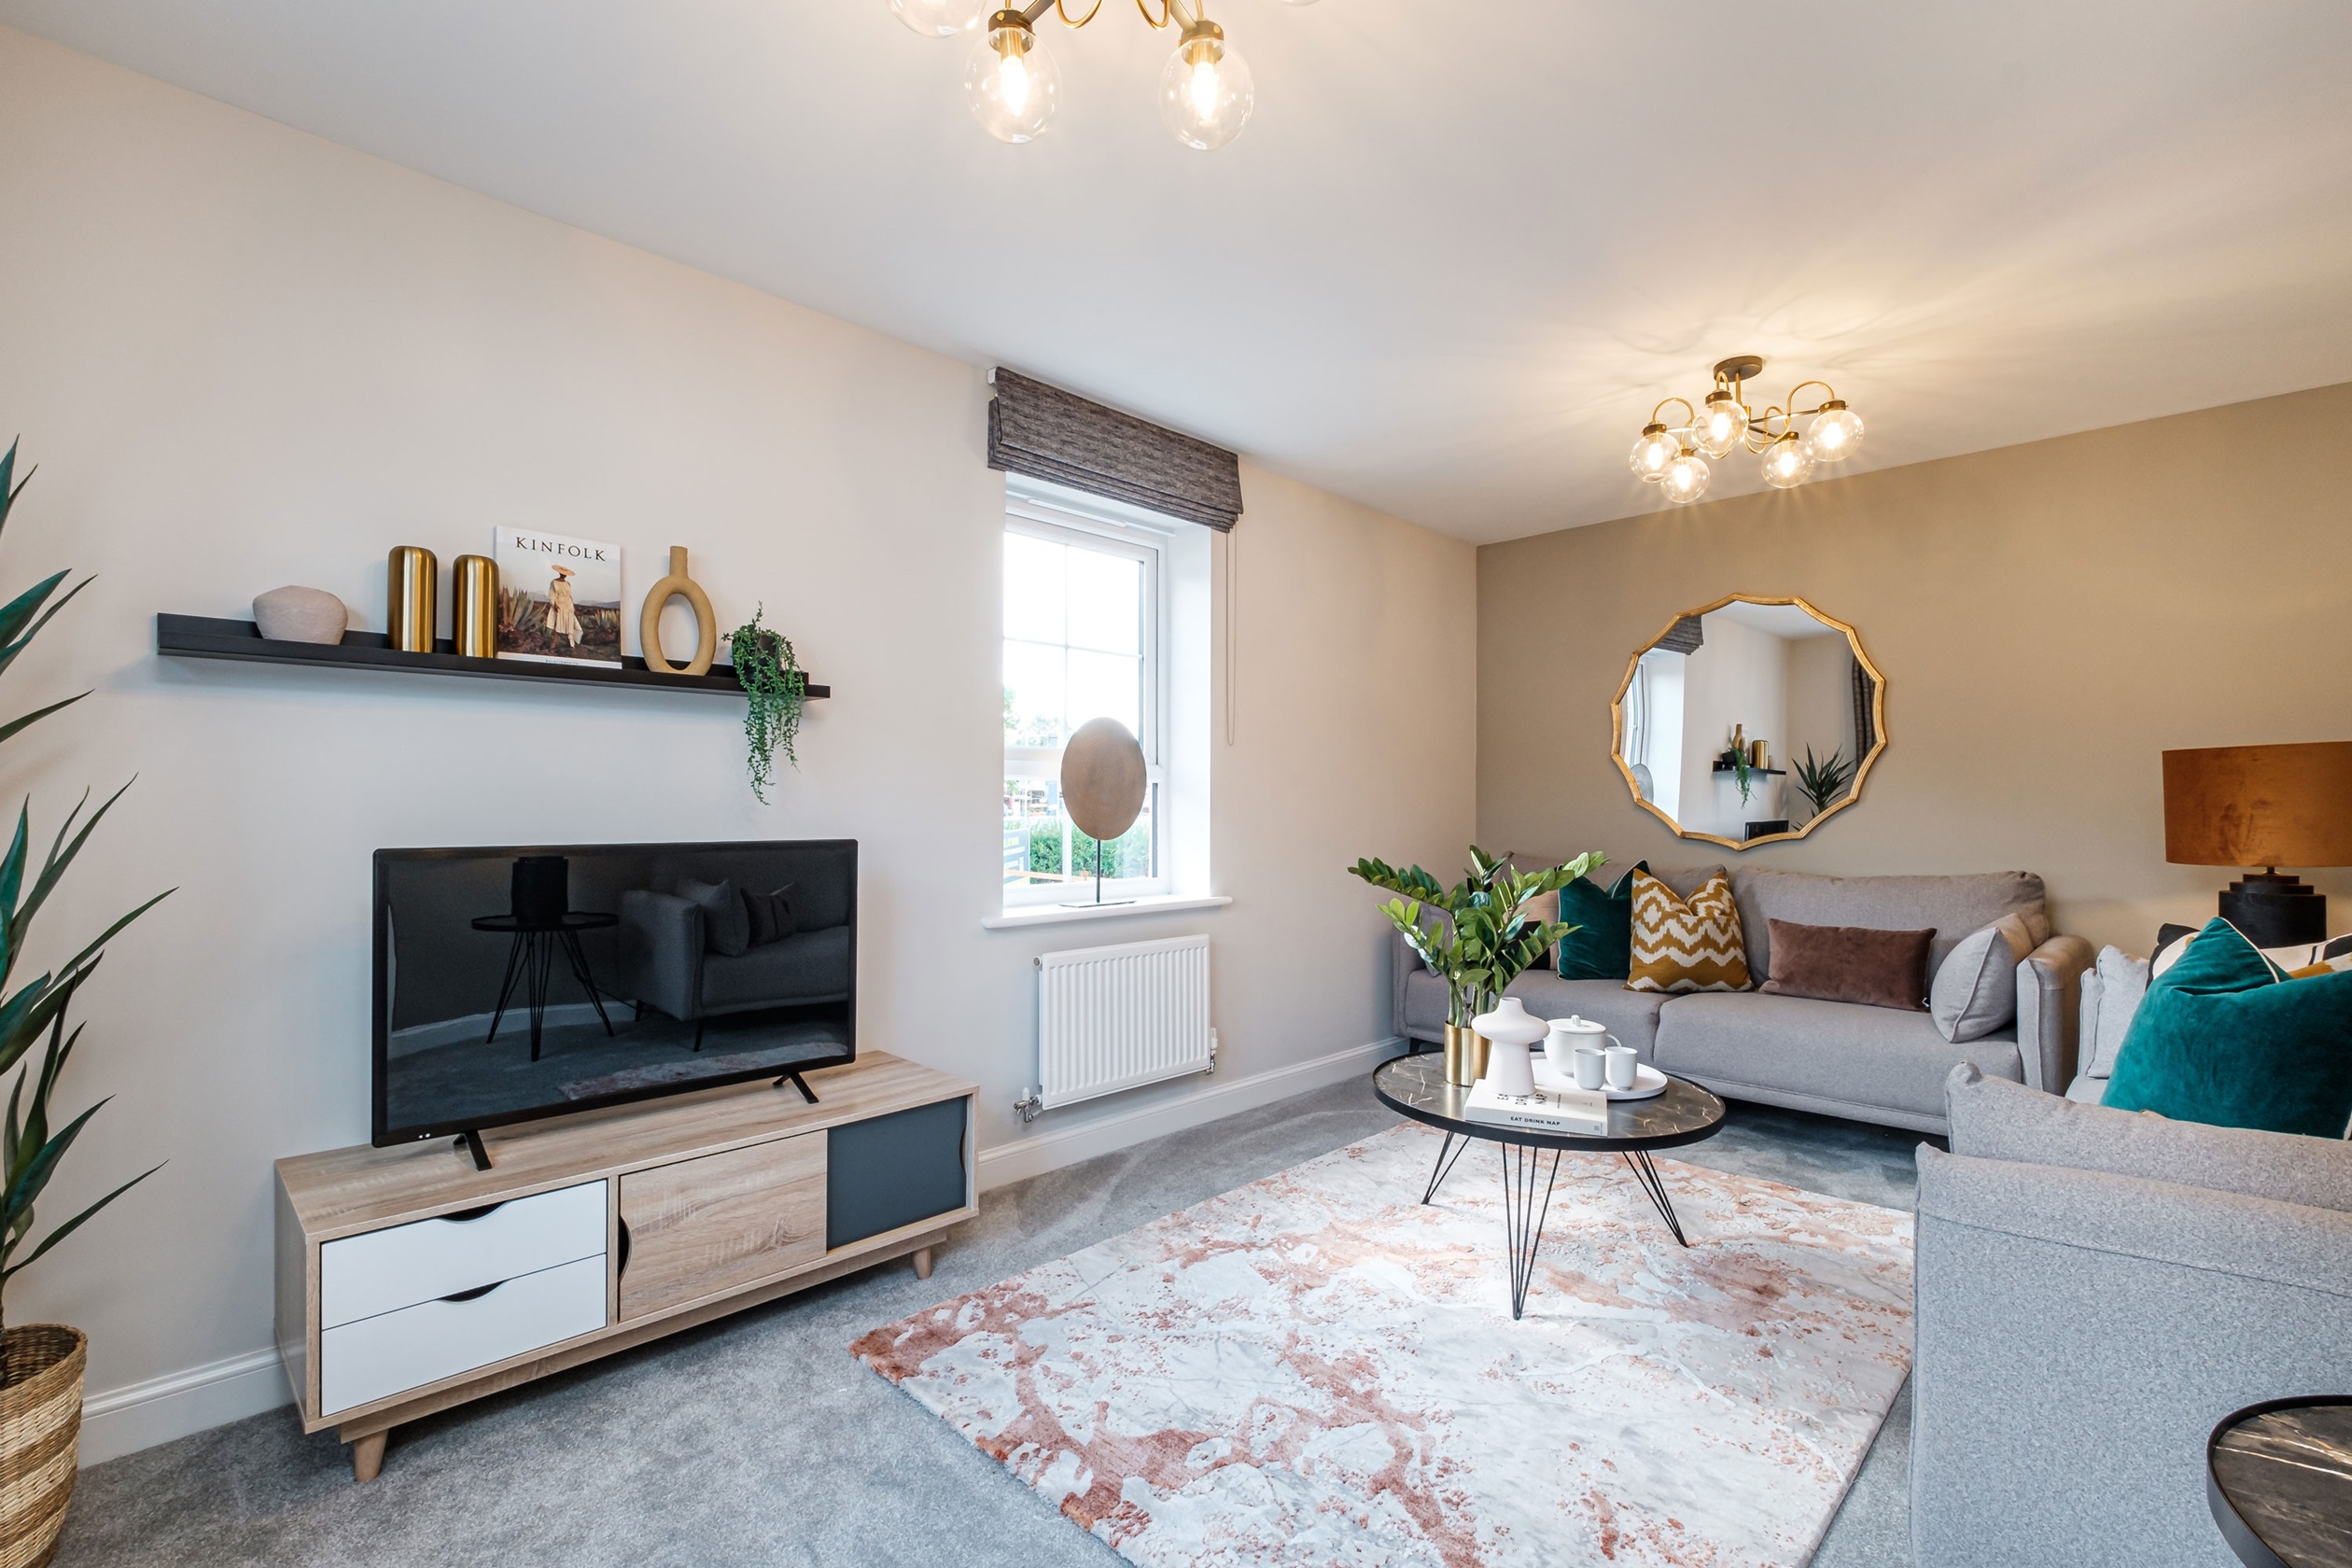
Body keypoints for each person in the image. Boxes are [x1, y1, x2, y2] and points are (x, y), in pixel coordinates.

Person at [545, 564, 582, 647]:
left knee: (569, 623)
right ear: (560, 573)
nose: (564, 575)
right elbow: (552, 594)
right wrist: (554, 604)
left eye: (565, 574)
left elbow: (569, 596)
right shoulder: (554, 582)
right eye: (563, 573)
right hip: (560, 604)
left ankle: (570, 642)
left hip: (568, 606)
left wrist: (572, 606)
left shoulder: (568, 583)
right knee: (558, 623)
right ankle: (555, 641)